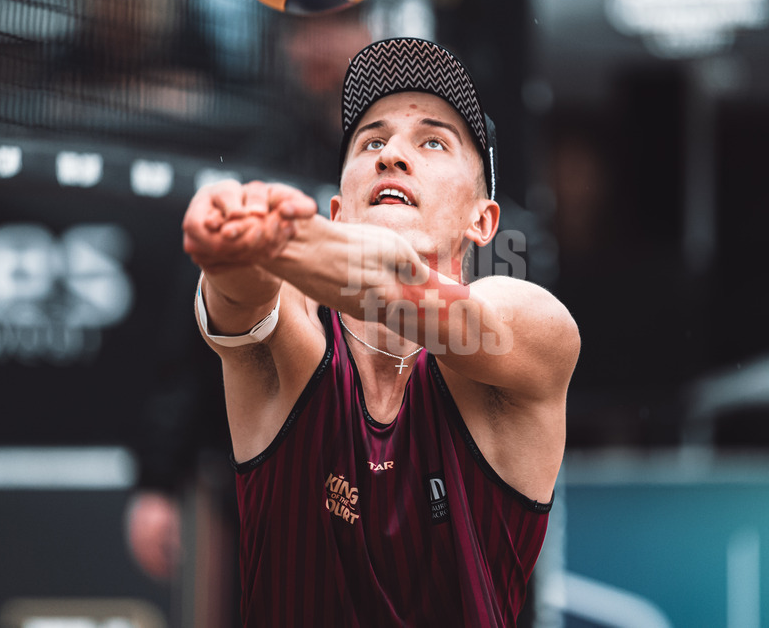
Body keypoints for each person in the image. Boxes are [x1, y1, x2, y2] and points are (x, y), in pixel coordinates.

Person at [181, 37, 579, 626]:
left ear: (483, 219)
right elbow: (240, 295)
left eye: (433, 141)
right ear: (339, 210)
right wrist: (228, 246)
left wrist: (283, 239)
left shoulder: (530, 327)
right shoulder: (297, 334)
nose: (392, 154)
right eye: (372, 141)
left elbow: (409, 295)